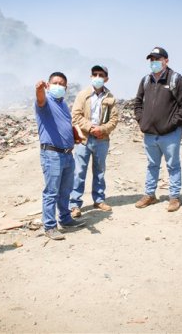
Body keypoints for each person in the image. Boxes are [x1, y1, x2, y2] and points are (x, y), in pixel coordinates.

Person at [134, 47, 182, 212]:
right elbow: (138, 103)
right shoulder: (146, 80)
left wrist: (172, 124)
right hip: (149, 134)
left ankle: (174, 197)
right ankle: (149, 194)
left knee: (173, 165)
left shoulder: (176, 79)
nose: (154, 62)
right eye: (151, 59)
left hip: (170, 134)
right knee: (152, 165)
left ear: (166, 60)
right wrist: (142, 121)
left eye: (157, 59)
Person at [35, 72, 86, 240]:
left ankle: (65, 218)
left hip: (67, 154)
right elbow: (40, 99)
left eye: (62, 84)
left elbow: (65, 125)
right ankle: (49, 226)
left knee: (65, 190)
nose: (58, 85)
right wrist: (39, 89)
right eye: (55, 83)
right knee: (51, 191)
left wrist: (74, 137)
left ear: (66, 88)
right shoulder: (46, 101)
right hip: (52, 154)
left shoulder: (63, 104)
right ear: (48, 85)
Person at [69, 65, 118, 217]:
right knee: (78, 172)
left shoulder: (110, 97)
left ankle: (99, 199)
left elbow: (114, 119)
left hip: (102, 139)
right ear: (91, 77)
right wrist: (91, 128)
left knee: (100, 171)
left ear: (106, 78)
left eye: (101, 75)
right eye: (94, 74)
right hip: (84, 139)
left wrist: (101, 130)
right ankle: (75, 204)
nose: (97, 77)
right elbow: (76, 116)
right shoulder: (83, 95)